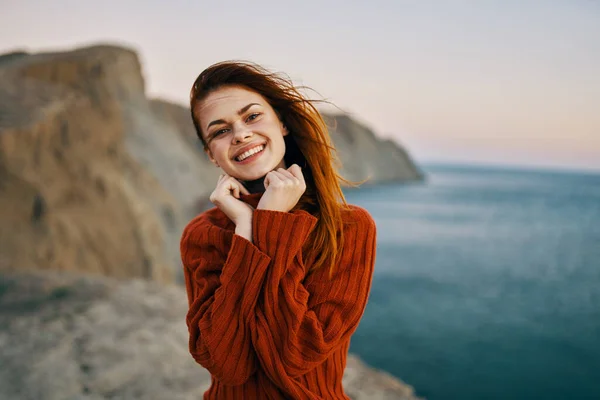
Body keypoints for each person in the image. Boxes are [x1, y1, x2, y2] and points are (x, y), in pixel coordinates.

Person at [180, 61, 377, 399]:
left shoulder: (348, 227)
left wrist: (272, 224)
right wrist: (246, 229)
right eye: (219, 131)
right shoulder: (203, 234)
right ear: (212, 155)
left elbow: (296, 355)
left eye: (252, 116)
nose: (240, 134)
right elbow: (227, 365)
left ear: (282, 124)